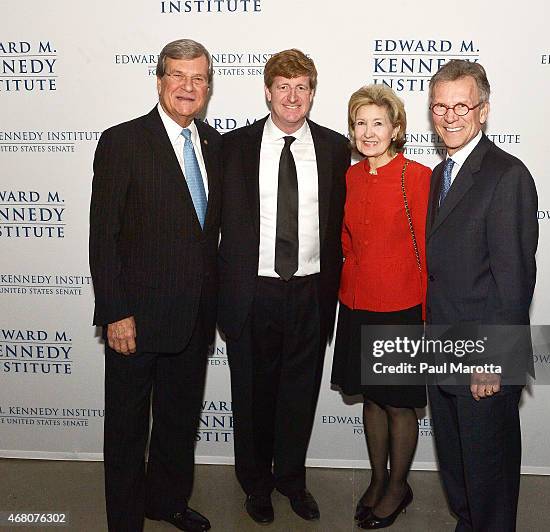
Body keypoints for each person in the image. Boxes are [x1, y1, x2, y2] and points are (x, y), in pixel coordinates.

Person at [89, 39, 221, 532]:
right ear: (160, 79)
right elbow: (103, 236)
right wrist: (115, 311)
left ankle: (166, 501)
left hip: (193, 318)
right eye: (178, 76)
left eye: (199, 78)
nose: (188, 87)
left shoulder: (212, 144)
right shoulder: (123, 140)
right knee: (126, 431)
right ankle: (125, 521)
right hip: (135, 321)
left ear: (208, 85)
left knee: (178, 423)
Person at [217, 49, 351, 525]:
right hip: (253, 292)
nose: (292, 97)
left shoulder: (337, 148)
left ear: (313, 93)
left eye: (302, 87)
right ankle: (255, 484)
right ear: (268, 91)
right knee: (252, 395)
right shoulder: (233, 146)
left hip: (312, 292)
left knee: (300, 392)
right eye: (283, 87)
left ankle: (291, 479)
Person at [425, 60, 538, 531]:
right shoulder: (441, 173)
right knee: (460, 473)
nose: (451, 117)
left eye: (462, 106)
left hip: (482, 362)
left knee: (489, 480)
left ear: (484, 110)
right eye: (440, 107)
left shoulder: (506, 176)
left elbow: (514, 283)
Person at [330, 84, 431, 529]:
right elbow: (345, 241)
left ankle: (398, 487)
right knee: (372, 398)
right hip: (356, 304)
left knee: (398, 405)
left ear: (396, 129)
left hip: (402, 308)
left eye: (377, 123)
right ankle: (376, 478)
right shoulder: (349, 176)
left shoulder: (419, 176)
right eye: (360, 123)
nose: (368, 132)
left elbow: (431, 251)